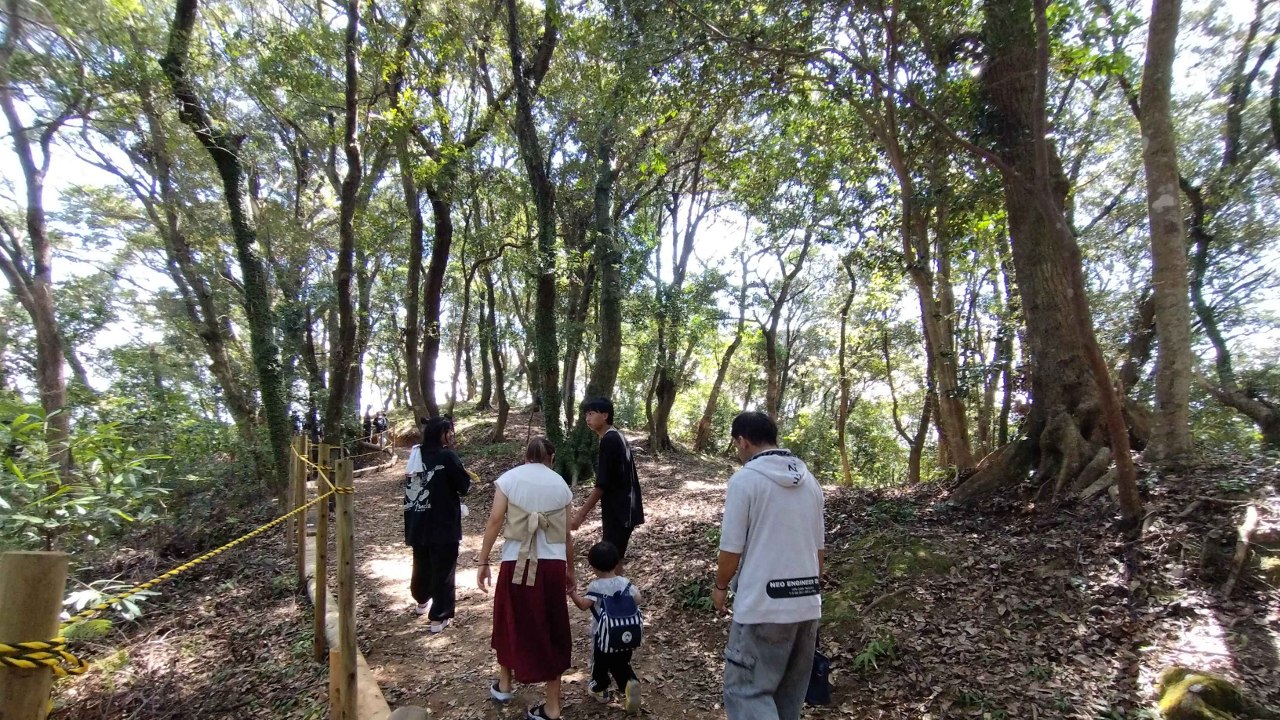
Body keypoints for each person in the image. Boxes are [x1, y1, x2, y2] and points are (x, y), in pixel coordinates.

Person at [712, 411, 824, 720]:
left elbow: (731, 550)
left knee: (747, 692)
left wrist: (720, 586)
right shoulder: (811, 482)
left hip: (763, 606)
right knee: (788, 698)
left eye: (737, 445)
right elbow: (819, 552)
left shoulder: (745, 480)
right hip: (807, 605)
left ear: (742, 441)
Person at [477, 437, 575, 720]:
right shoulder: (560, 485)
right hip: (552, 565)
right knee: (553, 627)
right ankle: (552, 705)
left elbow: (495, 520)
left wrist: (483, 560)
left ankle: (505, 684)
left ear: (525, 456)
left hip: (516, 562)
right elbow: (566, 534)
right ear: (551, 458)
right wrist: (571, 569)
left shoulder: (509, 479)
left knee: (509, 619)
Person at [404, 416, 471, 632]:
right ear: (439, 433)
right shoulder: (447, 456)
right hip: (443, 524)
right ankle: (438, 617)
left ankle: (421, 600)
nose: (450, 435)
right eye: (447, 431)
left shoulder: (416, 454)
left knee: (421, 564)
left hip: (418, 520)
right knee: (443, 569)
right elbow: (463, 486)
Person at [569, 541, 643, 715]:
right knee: (621, 664)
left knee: (600, 665)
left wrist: (572, 593)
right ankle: (629, 684)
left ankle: (600, 689)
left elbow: (583, 605)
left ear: (593, 567)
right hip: (626, 635)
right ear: (616, 563)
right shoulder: (625, 583)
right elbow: (638, 599)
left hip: (603, 637)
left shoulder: (595, 586)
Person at [571, 397, 644, 560]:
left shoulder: (610, 440)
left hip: (620, 511)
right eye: (586, 415)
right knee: (616, 559)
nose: (587, 418)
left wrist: (580, 515)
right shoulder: (616, 436)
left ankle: (614, 579)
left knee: (610, 560)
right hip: (625, 509)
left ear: (605, 415)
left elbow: (602, 483)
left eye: (591, 413)